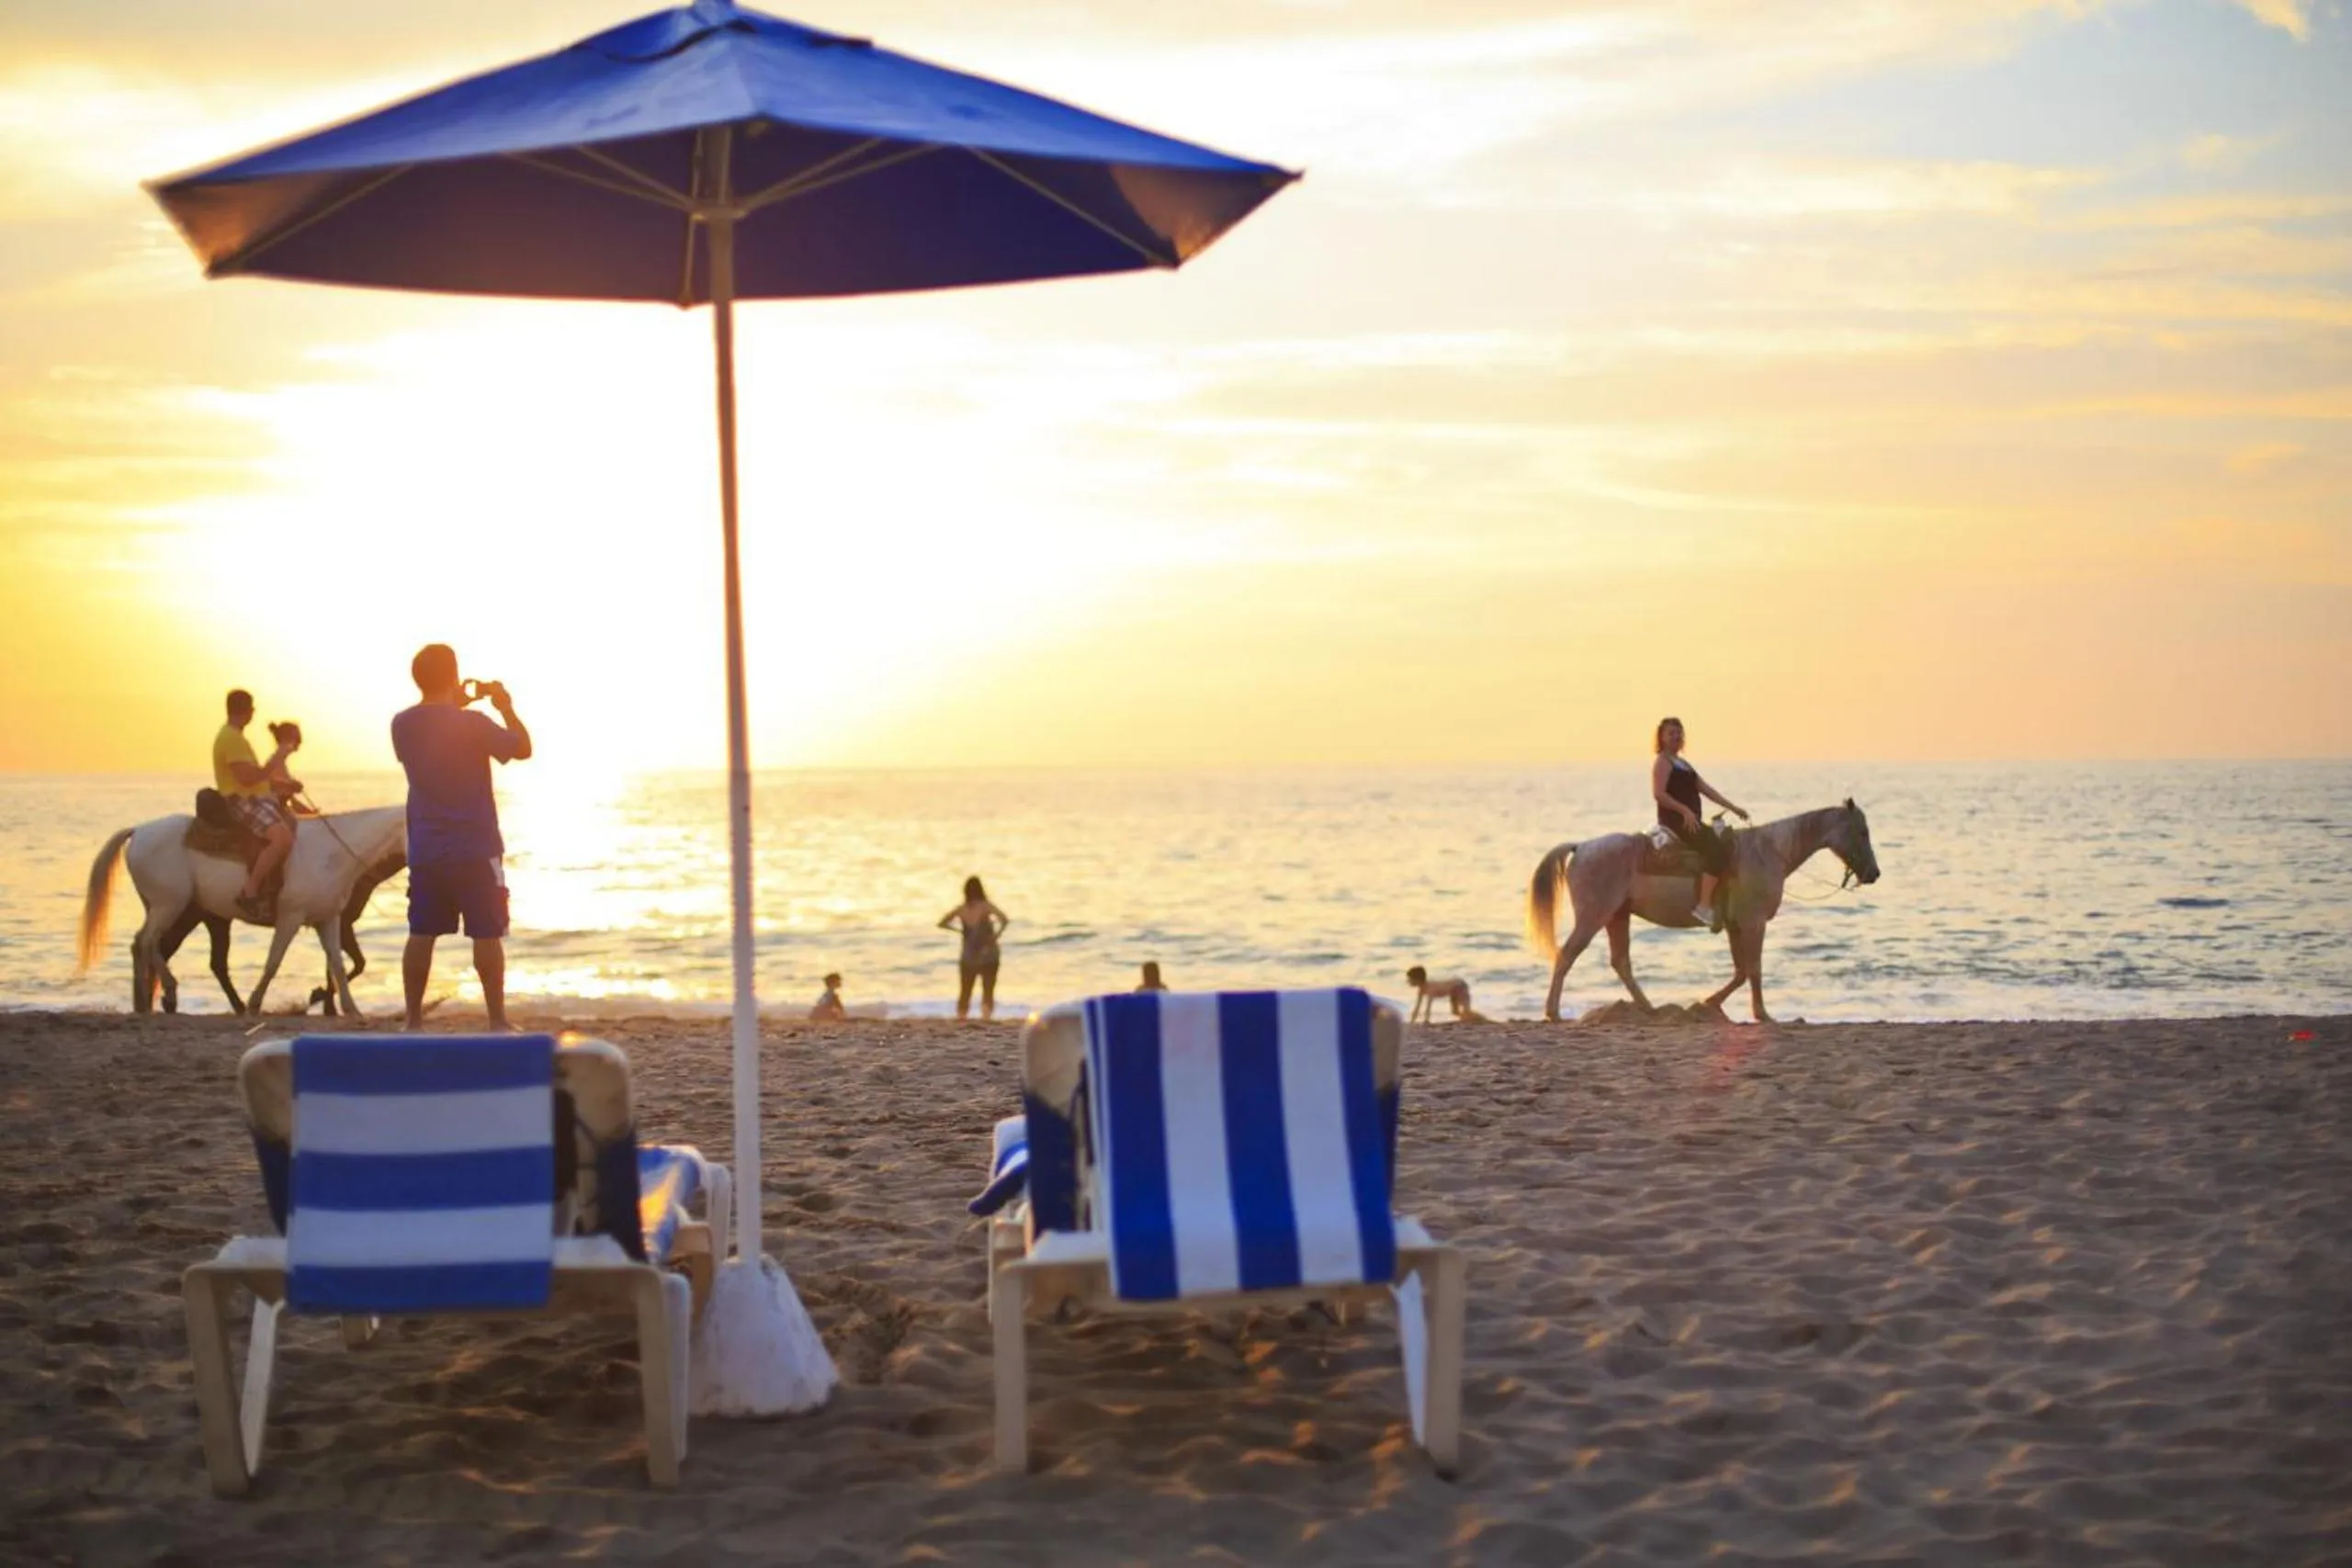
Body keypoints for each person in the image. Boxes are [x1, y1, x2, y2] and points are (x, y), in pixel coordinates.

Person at [391, 644, 531, 1030]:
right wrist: (503, 705)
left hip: (427, 850)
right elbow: (523, 749)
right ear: (453, 675)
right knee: (486, 934)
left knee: (421, 933)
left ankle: (413, 1021)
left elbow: (435, 731)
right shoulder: (475, 723)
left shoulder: (401, 724)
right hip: (476, 845)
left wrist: (458, 702)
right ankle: (498, 1021)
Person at [211, 689, 300, 921]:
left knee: (295, 827)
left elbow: (258, 777)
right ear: (247, 711)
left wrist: (285, 785)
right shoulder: (230, 739)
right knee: (282, 840)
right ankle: (250, 891)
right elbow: (248, 778)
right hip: (241, 801)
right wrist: (278, 756)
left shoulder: (238, 738)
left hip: (254, 797)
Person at [1652, 716, 1748, 931]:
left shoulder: (1683, 764)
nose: (1676, 737)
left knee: (1726, 842)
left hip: (1691, 819)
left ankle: (1721, 900)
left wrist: (1733, 808)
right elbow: (1658, 794)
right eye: (1671, 733)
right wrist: (1684, 810)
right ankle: (1704, 905)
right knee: (1716, 850)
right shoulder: (1663, 762)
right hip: (1676, 821)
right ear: (1662, 737)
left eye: (1679, 733)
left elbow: (1707, 790)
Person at [938, 875, 1010, 1021]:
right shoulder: (986, 906)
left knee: (965, 989)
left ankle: (962, 1017)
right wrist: (995, 936)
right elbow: (1004, 920)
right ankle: (986, 1017)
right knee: (988, 989)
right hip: (988, 952)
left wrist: (958, 931)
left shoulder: (962, 909)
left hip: (968, 954)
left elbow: (942, 923)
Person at [1406, 964, 1487, 1023]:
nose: (1408, 982)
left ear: (1417, 980)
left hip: (1459, 986)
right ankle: (1477, 1019)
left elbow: (1428, 1007)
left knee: (1466, 1013)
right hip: (1452, 990)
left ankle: (1483, 1019)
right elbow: (1417, 1007)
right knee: (1455, 1012)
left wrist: (1426, 1020)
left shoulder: (1430, 987)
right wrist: (1412, 1021)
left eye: (1410, 980)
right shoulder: (1421, 990)